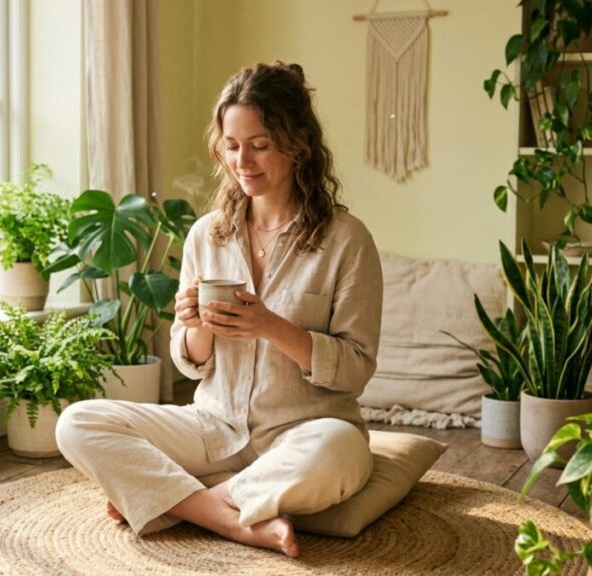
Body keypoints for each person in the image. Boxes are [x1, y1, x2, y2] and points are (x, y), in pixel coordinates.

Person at [56, 61, 383, 558]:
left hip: (304, 431)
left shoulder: (346, 239)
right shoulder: (206, 234)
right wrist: (194, 327)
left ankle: (183, 500)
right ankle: (232, 521)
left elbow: (356, 369)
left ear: (298, 145)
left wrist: (271, 326)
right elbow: (190, 360)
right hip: (212, 426)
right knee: (77, 423)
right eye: (232, 146)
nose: (242, 161)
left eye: (260, 145)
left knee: (340, 455)